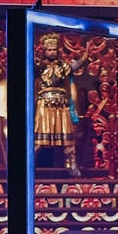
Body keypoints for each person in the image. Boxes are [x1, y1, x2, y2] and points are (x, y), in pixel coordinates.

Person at [34, 33, 86, 176]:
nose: (52, 52)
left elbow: (76, 66)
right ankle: (28, 165)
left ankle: (72, 165)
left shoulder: (63, 67)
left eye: (54, 49)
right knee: (39, 140)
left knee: (67, 139)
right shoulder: (39, 66)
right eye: (49, 50)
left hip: (61, 106)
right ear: (44, 51)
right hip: (45, 105)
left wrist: (86, 54)